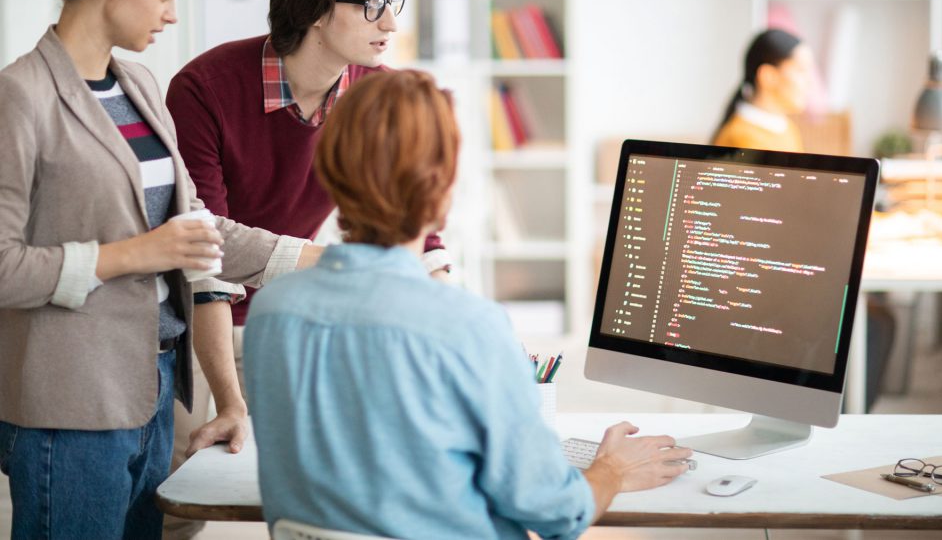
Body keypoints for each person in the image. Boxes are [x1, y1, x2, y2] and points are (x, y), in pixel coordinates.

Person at [0, 0, 321, 539]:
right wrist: (131, 254)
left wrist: (317, 258)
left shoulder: (142, 86)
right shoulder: (19, 96)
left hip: (155, 392)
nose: (174, 11)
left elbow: (197, 232)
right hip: (69, 409)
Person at [244, 69, 691, 539]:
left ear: (331, 177)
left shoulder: (272, 311)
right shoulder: (468, 327)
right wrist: (612, 470)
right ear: (440, 196)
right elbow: (556, 514)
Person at [162, 0, 451, 539]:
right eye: (371, 5)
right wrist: (229, 400)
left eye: (391, 3)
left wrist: (451, 305)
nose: (390, 23)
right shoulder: (205, 87)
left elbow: (412, 220)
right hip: (189, 316)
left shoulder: (374, 94)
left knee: (319, 501)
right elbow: (203, 252)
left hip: (287, 317)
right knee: (178, 504)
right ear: (318, 11)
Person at [711, 28, 815, 152]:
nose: (809, 81)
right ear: (768, 76)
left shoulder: (788, 129)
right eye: (801, 70)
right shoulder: (741, 139)